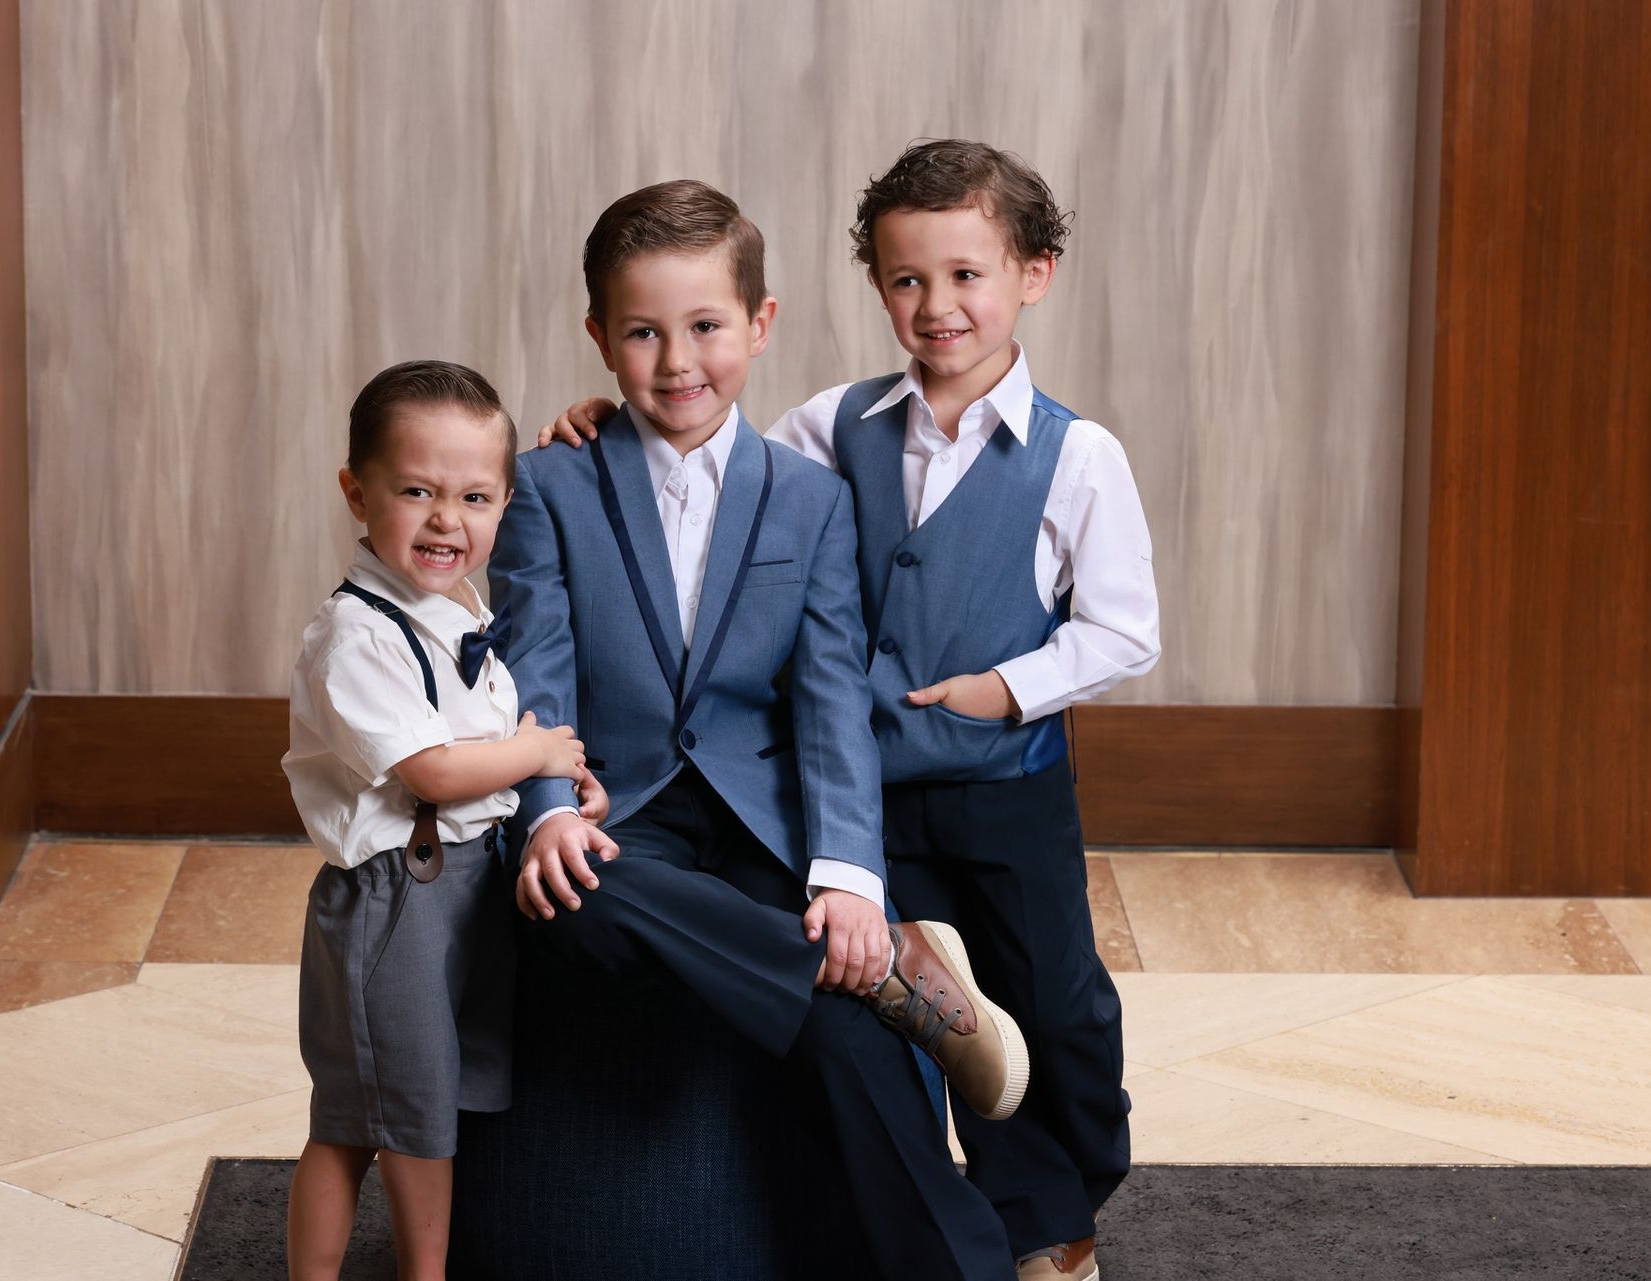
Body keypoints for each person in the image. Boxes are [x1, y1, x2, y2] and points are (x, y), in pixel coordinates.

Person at [543, 140, 1161, 1281]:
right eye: (907, 281)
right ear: (878, 289)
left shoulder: (1079, 457)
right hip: (867, 784)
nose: (937, 307)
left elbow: (1124, 627)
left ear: (1036, 274)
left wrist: (1004, 689)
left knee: (1053, 996)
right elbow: (706, 475)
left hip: (1001, 783)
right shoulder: (833, 426)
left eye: (967, 275)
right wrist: (607, 422)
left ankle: (1063, 1202)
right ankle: (1004, 1198)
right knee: (895, 1001)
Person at [490, 178, 1024, 1280]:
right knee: (574, 901)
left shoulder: (809, 499)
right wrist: (544, 811)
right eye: (642, 333)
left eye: (705, 328)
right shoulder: (547, 486)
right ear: (599, 338)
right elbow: (535, 669)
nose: (677, 361)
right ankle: (894, 975)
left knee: (842, 1027)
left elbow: (830, 700)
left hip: (763, 818)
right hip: (612, 812)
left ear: (760, 324)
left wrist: (848, 878)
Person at [281, 361, 600, 1281]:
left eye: (474, 496)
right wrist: (541, 754)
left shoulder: (451, 606)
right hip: (394, 904)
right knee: (373, 1121)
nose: (446, 519)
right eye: (416, 491)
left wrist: (561, 779)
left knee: (421, 1107)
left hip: (464, 886)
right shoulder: (358, 633)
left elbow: (487, 739)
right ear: (357, 492)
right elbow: (435, 768)